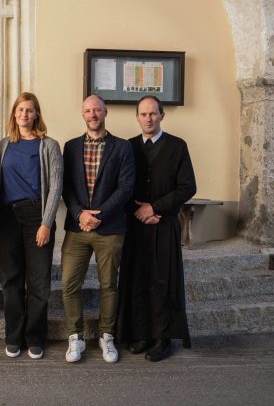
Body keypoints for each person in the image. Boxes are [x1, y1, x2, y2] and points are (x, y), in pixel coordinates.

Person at [115, 95, 197, 362]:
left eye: (153, 114)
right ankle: (141, 334)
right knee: (138, 279)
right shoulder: (127, 147)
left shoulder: (177, 146)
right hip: (136, 226)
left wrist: (155, 208)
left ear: (162, 115)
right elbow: (121, 186)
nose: (148, 119)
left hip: (164, 224)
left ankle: (162, 338)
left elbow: (187, 186)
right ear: (137, 117)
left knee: (163, 281)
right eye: (143, 114)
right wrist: (138, 211)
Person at [61, 95, 135, 363]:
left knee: (108, 285)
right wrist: (80, 213)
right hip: (77, 227)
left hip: (110, 228)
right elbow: (66, 186)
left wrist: (99, 216)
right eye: (88, 110)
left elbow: (126, 187)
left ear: (106, 112)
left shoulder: (123, 147)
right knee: (69, 284)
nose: (92, 114)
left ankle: (106, 335)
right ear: (82, 114)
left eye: (97, 110)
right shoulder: (70, 147)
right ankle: (76, 336)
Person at [0, 92, 62, 359]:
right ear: (14, 114)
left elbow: (56, 187)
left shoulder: (49, 145)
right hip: (7, 217)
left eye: (29, 110)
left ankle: (35, 337)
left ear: (36, 114)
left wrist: (46, 223)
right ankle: (14, 336)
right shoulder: (3, 145)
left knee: (39, 281)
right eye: (20, 110)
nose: (24, 114)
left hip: (36, 216)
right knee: (11, 280)